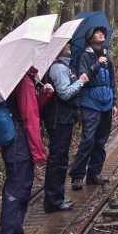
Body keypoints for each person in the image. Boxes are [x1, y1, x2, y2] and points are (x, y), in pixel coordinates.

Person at [0, 66, 51, 234]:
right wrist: (38, 152)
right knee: (17, 191)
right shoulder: (24, 82)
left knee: (16, 189)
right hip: (20, 143)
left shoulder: (19, 79)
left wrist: (42, 95)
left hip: (15, 140)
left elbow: (28, 109)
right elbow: (30, 118)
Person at [40, 41, 89, 212]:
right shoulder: (59, 68)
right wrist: (80, 82)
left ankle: (55, 198)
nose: (69, 45)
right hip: (59, 119)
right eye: (65, 43)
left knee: (59, 158)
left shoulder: (62, 66)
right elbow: (64, 93)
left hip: (63, 118)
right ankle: (53, 201)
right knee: (58, 159)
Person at [69, 26, 116, 190]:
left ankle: (94, 174)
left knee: (101, 141)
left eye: (102, 32)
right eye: (97, 32)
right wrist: (97, 64)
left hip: (106, 102)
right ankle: (77, 176)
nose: (101, 34)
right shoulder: (85, 56)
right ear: (90, 38)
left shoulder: (107, 54)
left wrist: (114, 102)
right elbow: (84, 77)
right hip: (90, 102)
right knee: (88, 140)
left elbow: (112, 80)